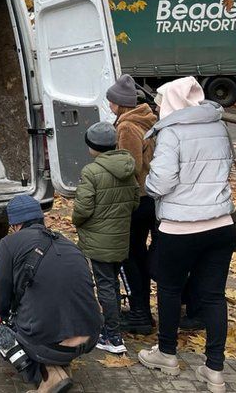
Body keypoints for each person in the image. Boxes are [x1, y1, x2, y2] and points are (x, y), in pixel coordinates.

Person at [138, 76, 234, 393]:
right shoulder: (218, 125)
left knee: (168, 290)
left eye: (160, 101)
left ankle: (167, 354)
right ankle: (215, 371)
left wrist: (150, 187)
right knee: (214, 297)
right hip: (220, 225)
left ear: (172, 102)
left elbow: (160, 183)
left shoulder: (172, 133)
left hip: (180, 227)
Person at [0, 195, 103, 391]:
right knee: (48, 314)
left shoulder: (9, 243)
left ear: (15, 224)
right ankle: (58, 362)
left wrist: (5, 317)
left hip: (48, 341)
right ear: (41, 218)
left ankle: (48, 376)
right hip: (89, 337)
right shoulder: (69, 243)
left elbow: (0, 298)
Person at [73, 121, 139, 354]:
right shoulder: (128, 167)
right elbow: (134, 201)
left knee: (105, 286)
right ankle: (114, 327)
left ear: (93, 147)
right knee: (112, 281)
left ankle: (112, 336)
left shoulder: (91, 172)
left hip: (98, 240)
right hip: (120, 237)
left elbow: (82, 208)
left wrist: (77, 222)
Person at [105, 73, 159, 334]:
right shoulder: (146, 119)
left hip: (136, 200)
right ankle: (143, 311)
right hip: (150, 198)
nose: (109, 106)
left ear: (121, 103)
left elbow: (129, 166)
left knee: (130, 257)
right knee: (139, 254)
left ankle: (139, 314)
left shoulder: (126, 126)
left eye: (112, 102)